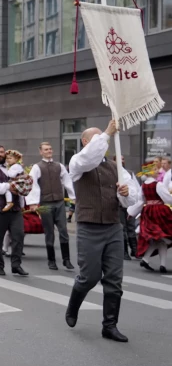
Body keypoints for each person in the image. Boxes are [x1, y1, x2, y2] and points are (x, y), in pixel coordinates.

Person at [65, 120, 137, 343]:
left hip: (114, 227)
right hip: (89, 227)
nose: (103, 142)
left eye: (104, 140)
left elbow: (131, 198)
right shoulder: (77, 162)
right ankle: (73, 305)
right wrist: (106, 132)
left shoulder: (116, 167)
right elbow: (89, 158)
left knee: (115, 279)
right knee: (89, 277)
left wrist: (125, 193)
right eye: (97, 139)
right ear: (85, 141)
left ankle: (110, 326)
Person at [25, 142, 76, 270]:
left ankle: (66, 260)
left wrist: (73, 196)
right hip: (45, 203)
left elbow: (67, 181)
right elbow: (32, 184)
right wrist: (32, 202)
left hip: (59, 202)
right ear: (41, 152)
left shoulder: (59, 166)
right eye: (46, 149)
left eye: (50, 149)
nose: (49, 151)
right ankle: (51, 260)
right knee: (49, 233)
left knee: (64, 231)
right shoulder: (37, 167)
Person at [0, 145, 29, 277]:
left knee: (19, 236)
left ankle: (16, 265)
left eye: (2, 152)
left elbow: (23, 184)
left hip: (15, 210)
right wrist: (9, 186)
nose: (0, 154)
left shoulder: (14, 168)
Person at [127, 162, 172, 273]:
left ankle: (157, 263)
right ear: (150, 172)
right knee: (162, 238)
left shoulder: (144, 186)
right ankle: (153, 262)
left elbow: (140, 202)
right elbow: (168, 199)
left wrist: (131, 212)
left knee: (159, 239)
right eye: (156, 169)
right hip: (159, 213)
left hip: (148, 212)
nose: (159, 171)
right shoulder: (158, 185)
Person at [113, 156, 139, 259]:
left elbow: (136, 187)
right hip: (119, 205)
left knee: (131, 227)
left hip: (130, 204)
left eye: (123, 159)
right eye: (119, 159)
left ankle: (135, 250)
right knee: (122, 228)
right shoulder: (113, 172)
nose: (122, 161)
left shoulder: (129, 173)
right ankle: (124, 252)